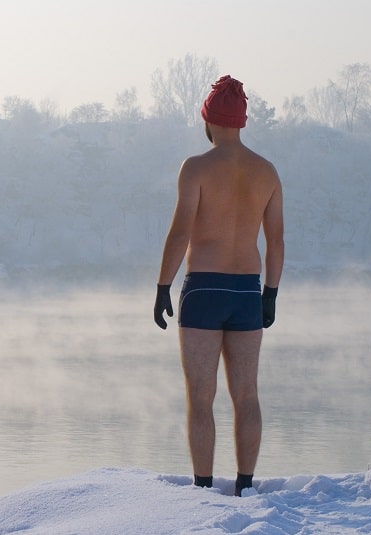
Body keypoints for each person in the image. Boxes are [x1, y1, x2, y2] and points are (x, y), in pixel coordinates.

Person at [153, 75, 284, 497]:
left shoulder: (196, 168)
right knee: (247, 394)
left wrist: (162, 286)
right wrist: (271, 294)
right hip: (247, 289)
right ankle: (246, 485)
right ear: (242, 121)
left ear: (208, 121)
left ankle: (203, 488)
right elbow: (277, 240)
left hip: (204, 289)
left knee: (201, 396)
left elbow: (179, 233)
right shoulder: (266, 172)